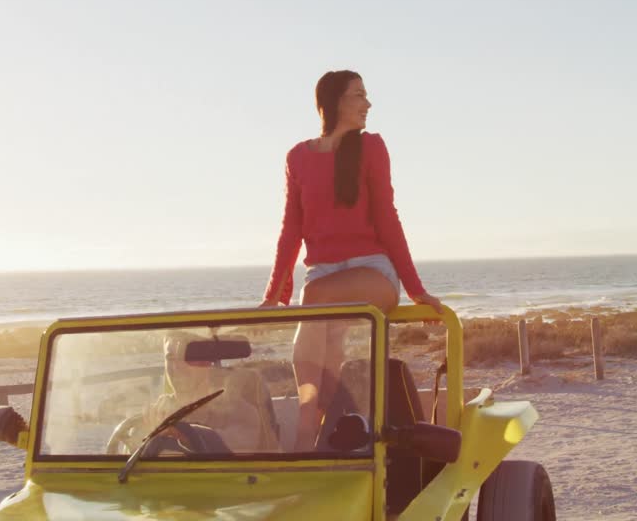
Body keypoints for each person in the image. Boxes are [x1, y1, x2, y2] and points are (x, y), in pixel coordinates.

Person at [259, 70, 443, 451]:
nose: (368, 104)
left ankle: (306, 427)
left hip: (373, 272)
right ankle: (321, 436)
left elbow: (388, 218)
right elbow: (291, 228)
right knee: (322, 330)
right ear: (334, 102)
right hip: (323, 277)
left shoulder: (372, 147)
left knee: (315, 299)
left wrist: (415, 290)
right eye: (359, 95)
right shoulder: (298, 157)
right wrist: (273, 294)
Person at [142, 332, 278, 453]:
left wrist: (183, 434)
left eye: (188, 358)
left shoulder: (240, 411)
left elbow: (231, 448)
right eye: (171, 358)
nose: (177, 367)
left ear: (206, 363)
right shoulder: (159, 410)